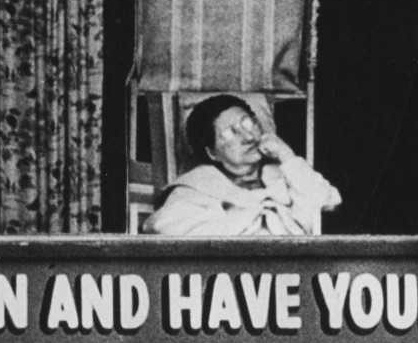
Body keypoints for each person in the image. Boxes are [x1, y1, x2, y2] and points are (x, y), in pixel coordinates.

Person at [143, 94, 341, 236]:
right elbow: (161, 227)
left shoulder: (286, 174)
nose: (247, 137)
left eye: (248, 124)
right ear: (213, 153)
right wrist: (236, 212)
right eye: (229, 134)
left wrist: (286, 154)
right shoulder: (195, 187)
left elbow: (328, 202)